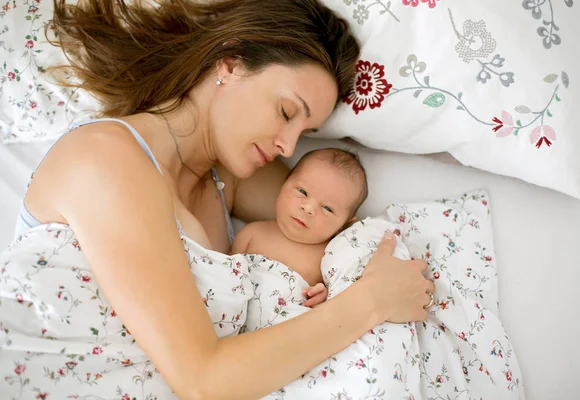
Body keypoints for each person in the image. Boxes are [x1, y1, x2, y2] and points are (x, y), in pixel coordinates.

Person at [9, 0, 435, 398]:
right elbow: (204, 379)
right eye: (286, 113)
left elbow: (335, 232)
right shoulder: (108, 158)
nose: (288, 146)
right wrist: (369, 303)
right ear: (229, 64)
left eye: (304, 134)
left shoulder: (226, 179)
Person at [232, 148, 368, 307]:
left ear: (344, 225)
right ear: (283, 185)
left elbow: (341, 302)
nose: (309, 208)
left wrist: (323, 295)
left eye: (327, 208)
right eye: (302, 192)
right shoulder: (251, 233)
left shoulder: (330, 256)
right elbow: (223, 275)